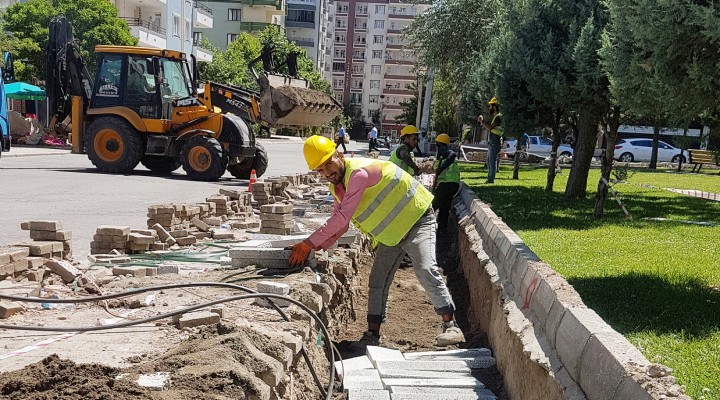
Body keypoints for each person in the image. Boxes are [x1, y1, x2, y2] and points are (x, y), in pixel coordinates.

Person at [289, 135, 465, 347]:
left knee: (425, 267)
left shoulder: (358, 173)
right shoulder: (337, 187)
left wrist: (307, 243)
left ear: (339, 155)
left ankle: (451, 326)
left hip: (417, 219)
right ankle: (372, 335)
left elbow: (342, 217)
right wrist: (317, 248)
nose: (327, 172)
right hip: (391, 235)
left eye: (328, 164)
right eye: (320, 170)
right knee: (377, 281)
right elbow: (342, 226)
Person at [432, 134, 460, 234]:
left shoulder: (447, 153)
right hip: (453, 186)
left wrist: (440, 169)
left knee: (432, 206)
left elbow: (452, 155)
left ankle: (422, 227)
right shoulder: (441, 156)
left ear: (438, 144)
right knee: (444, 208)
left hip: (446, 185)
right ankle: (442, 231)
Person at [477, 97, 503, 183]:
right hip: (493, 141)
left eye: (490, 106)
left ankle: (490, 180)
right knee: (489, 161)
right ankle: (489, 178)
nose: (489, 108)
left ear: (494, 106)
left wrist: (482, 121)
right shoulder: (496, 116)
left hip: (495, 142)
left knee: (492, 161)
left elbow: (489, 128)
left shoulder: (498, 116)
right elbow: (489, 128)